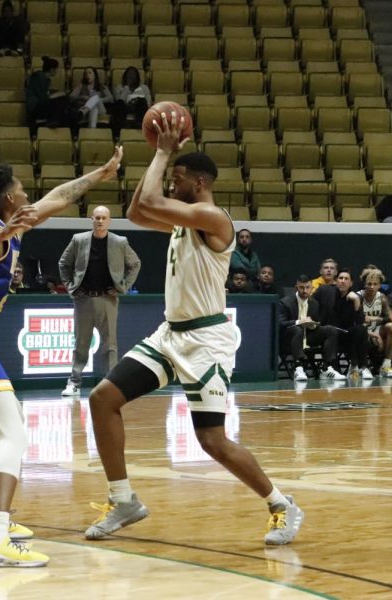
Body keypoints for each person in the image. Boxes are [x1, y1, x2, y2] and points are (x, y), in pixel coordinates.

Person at [84, 114, 304, 546]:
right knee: (103, 398)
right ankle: (123, 499)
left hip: (205, 341)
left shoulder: (211, 216)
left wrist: (163, 152)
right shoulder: (186, 217)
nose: (170, 183)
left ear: (198, 183)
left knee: (212, 440)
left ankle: (282, 504)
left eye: (178, 178)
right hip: (170, 335)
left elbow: (151, 199)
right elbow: (136, 210)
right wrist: (162, 160)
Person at [0, 149, 122, 568]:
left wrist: (100, 175)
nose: (28, 193)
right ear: (8, 198)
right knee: (13, 434)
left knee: (6, 423)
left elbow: (60, 196)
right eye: (20, 188)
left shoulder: (11, 226)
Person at [58, 205, 141, 397]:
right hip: (83, 298)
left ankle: (109, 385)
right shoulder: (78, 240)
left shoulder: (120, 242)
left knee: (109, 345)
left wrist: (123, 286)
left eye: (104, 218)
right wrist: (71, 286)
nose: (100, 221)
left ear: (109, 220)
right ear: (91, 219)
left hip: (108, 298)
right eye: (97, 217)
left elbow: (135, 263)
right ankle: (74, 383)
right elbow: (63, 263)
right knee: (81, 344)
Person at [278, 274, 345, 381]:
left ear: (312, 288)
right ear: (296, 288)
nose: (305, 291)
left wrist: (313, 324)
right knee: (297, 328)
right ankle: (298, 368)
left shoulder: (314, 304)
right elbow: (281, 323)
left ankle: (327, 368)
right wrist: (299, 322)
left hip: (308, 336)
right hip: (289, 339)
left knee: (330, 330)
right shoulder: (285, 302)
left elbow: (317, 322)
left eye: (307, 287)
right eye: (301, 287)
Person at [358, 267, 392, 377]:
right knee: (360, 333)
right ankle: (361, 367)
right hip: (361, 331)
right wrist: (372, 334)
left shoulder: (382, 297)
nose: (372, 287)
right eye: (369, 284)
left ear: (379, 285)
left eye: (375, 284)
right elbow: (354, 323)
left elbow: (391, 319)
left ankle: (386, 365)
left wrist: (377, 321)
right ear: (365, 284)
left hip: (376, 329)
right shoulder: (358, 297)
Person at [25, 56, 66, 128]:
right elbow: (42, 97)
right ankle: (52, 120)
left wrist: (53, 92)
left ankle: (54, 120)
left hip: (41, 104)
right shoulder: (38, 77)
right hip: (35, 107)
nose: (57, 71)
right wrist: (56, 95)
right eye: (57, 69)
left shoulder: (47, 79)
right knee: (63, 99)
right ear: (52, 69)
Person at [110, 66, 152, 135]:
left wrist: (136, 101)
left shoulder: (144, 88)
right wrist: (126, 88)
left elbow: (148, 104)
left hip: (139, 108)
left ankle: (140, 126)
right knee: (119, 104)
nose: (131, 76)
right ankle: (118, 133)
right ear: (125, 76)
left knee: (141, 101)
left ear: (137, 77)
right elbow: (119, 101)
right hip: (125, 108)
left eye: (133, 74)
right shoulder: (119, 88)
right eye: (129, 74)